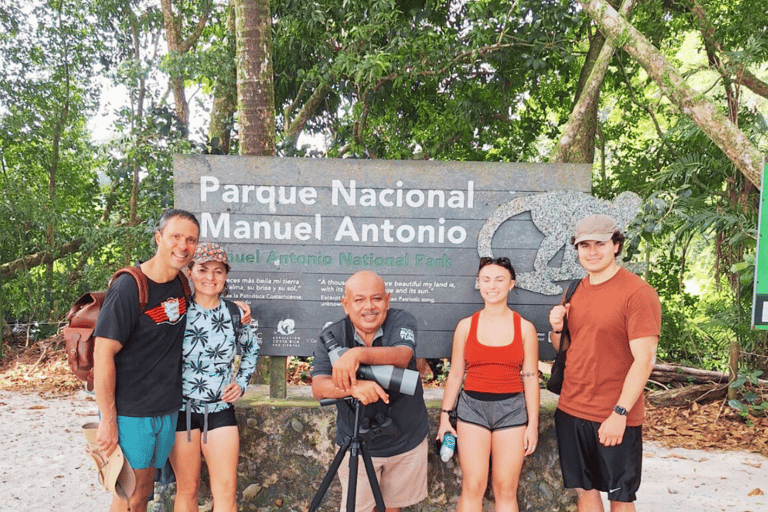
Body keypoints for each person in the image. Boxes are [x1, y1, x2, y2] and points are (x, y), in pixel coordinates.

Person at [548, 214, 661, 512]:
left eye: (600, 243)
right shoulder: (574, 290)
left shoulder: (638, 293)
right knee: (584, 491)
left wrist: (620, 413)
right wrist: (557, 330)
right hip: (571, 408)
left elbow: (645, 359)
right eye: (584, 245)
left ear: (616, 245)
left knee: (620, 496)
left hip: (614, 413)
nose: (592, 251)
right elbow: (567, 349)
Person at [93, 209, 201, 512]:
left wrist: (237, 309)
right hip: (131, 412)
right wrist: (108, 420)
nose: (182, 245)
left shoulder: (181, 284)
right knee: (127, 493)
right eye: (175, 236)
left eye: (190, 239)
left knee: (143, 492)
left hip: (164, 408)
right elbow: (102, 353)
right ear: (158, 238)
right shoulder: (129, 287)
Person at [310, 270, 430, 512]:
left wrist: (356, 355)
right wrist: (354, 388)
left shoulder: (401, 320)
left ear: (387, 300)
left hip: (406, 437)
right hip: (355, 437)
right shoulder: (331, 335)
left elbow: (402, 355)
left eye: (376, 298)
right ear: (346, 304)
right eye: (359, 299)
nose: (369, 307)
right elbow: (319, 387)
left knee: (392, 508)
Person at [437, 257, 539, 512]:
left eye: (499, 279)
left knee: (505, 488)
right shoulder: (465, 326)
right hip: (472, 409)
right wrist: (444, 417)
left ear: (511, 284)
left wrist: (533, 425)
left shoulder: (525, 328)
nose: (492, 286)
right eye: (486, 280)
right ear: (479, 284)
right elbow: (456, 373)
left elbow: (530, 377)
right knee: (473, 485)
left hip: (512, 411)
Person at [169, 242, 259, 512]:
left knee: (227, 490)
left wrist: (241, 383)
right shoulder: (176, 311)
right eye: (203, 269)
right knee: (188, 488)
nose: (210, 277)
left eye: (218, 271)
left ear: (226, 275)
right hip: (181, 409)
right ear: (191, 271)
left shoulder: (234, 314)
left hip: (219, 410)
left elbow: (251, 349)